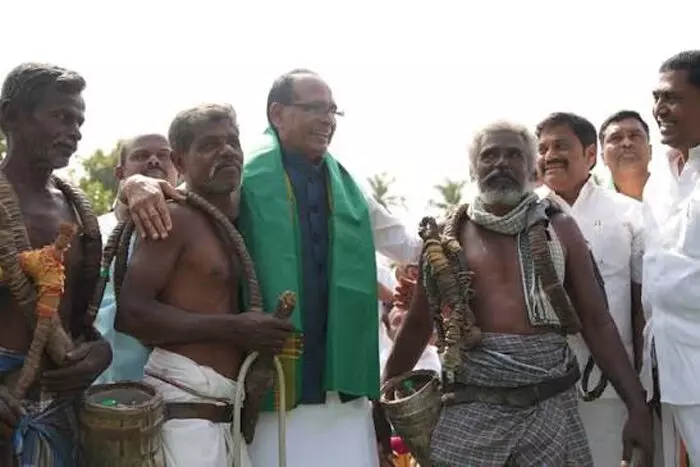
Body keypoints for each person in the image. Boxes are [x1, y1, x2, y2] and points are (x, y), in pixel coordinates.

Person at [115, 69, 422, 467]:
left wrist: (455, 232)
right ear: (277, 114)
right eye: (314, 108)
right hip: (252, 402)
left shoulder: (350, 190)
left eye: (332, 110)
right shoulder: (240, 184)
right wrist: (135, 186)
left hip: (339, 398)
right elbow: (169, 210)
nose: (326, 119)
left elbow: (408, 245)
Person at [380, 120, 653, 466]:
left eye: (513, 155)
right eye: (489, 155)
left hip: (549, 411)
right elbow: (418, 325)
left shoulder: (560, 228)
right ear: (473, 168)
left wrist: (637, 406)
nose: (501, 163)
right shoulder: (448, 236)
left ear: (530, 169)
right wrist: (382, 399)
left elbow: (597, 322)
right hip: (471, 410)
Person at [116, 104, 293, 466]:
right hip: (184, 415)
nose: (226, 151)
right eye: (209, 145)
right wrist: (235, 328)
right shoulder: (174, 218)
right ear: (180, 161)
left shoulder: (241, 221)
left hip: (222, 416)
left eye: (232, 142)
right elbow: (131, 314)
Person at [0, 63, 112, 465]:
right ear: (11, 116)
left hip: (62, 412)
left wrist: (100, 354)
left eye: (79, 121)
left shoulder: (76, 211)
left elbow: (80, 320)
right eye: (61, 117)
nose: (75, 131)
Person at [535, 112, 649, 466]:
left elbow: (641, 307)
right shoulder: (522, 216)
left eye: (560, 146)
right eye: (543, 148)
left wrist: (640, 393)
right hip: (539, 392)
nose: (550, 155)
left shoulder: (630, 214)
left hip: (611, 390)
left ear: (589, 155)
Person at [643, 49, 700, 465]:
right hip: (667, 366)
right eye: (657, 98)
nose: (660, 109)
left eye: (673, 98)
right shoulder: (659, 178)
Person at [94, 133, 179, 384]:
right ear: (120, 173)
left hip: (176, 387)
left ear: (179, 166)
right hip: (100, 384)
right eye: (141, 155)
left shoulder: (198, 228)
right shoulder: (92, 231)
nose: (153, 161)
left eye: (163, 155)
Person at [599, 110, 652, 200]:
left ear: (650, 151)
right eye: (616, 138)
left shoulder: (675, 190)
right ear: (603, 157)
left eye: (635, 136)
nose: (627, 143)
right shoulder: (590, 205)